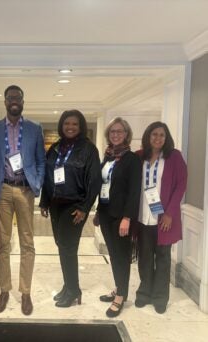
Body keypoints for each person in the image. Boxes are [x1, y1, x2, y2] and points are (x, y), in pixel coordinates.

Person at [0, 85, 45, 315]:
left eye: (18, 97)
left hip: (25, 190)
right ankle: (4, 290)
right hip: (3, 190)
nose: (14, 101)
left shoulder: (34, 128)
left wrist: (36, 184)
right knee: (2, 243)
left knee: (27, 242)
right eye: (10, 98)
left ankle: (25, 292)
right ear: (5, 101)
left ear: (23, 100)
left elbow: (40, 160)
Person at [39, 110, 102, 307]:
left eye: (75, 124)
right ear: (61, 125)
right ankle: (69, 286)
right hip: (56, 204)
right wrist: (44, 201)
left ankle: (73, 290)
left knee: (67, 247)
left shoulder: (88, 149)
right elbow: (48, 176)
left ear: (81, 126)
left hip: (75, 206)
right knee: (63, 246)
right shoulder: (56, 148)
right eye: (67, 123)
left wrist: (85, 207)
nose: (70, 127)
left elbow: (95, 181)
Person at [135, 122, 187, 314]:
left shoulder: (174, 157)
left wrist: (170, 213)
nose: (157, 138)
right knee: (145, 257)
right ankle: (144, 293)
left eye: (161, 135)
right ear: (148, 136)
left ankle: (160, 297)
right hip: (143, 217)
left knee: (163, 258)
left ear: (166, 138)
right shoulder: (140, 156)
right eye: (154, 134)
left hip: (164, 218)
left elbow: (181, 185)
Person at [93, 117, 141, 318]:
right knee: (113, 255)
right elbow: (103, 185)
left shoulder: (132, 159)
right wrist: (97, 211)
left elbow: (134, 191)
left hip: (121, 217)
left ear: (126, 134)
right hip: (105, 214)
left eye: (119, 131)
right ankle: (118, 288)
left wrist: (127, 218)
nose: (115, 134)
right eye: (112, 131)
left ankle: (121, 296)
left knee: (121, 256)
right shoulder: (108, 157)